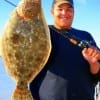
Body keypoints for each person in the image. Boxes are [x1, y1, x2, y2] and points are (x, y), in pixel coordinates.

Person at [30, 0, 100, 100]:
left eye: (69, 10)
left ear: (73, 12)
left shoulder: (86, 35)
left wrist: (93, 63)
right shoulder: (40, 33)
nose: (64, 13)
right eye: (60, 9)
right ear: (52, 12)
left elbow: (97, 75)